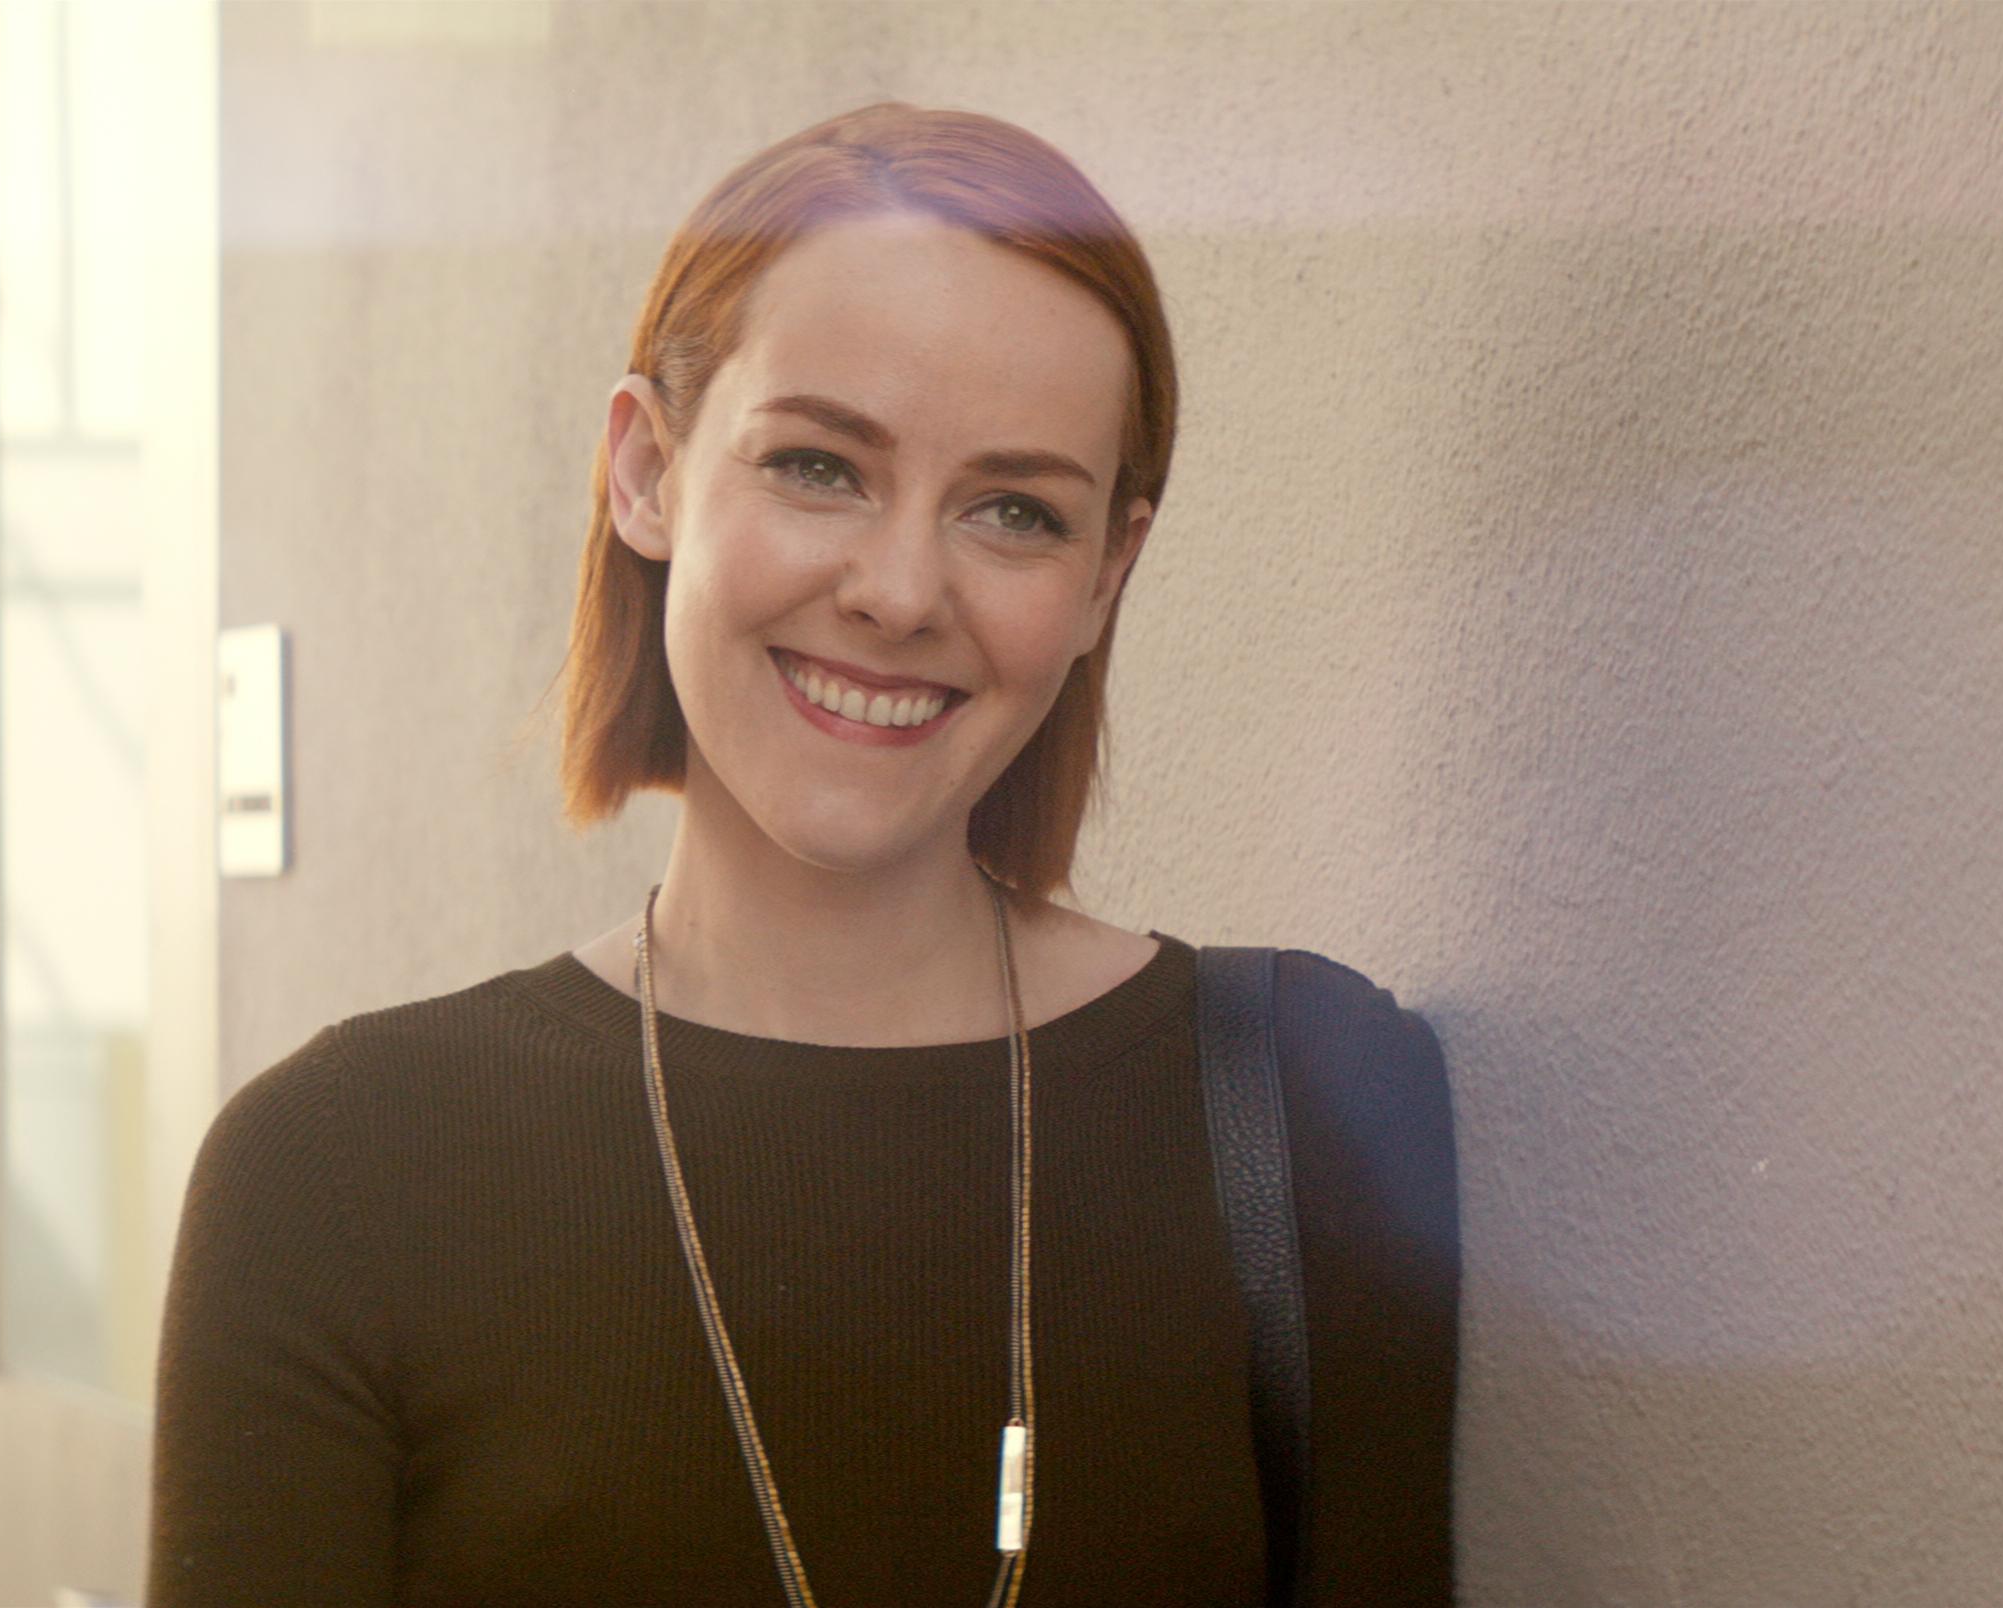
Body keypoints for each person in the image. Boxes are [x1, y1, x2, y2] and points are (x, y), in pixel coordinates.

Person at [151, 101, 1440, 1606]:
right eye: (821, 466)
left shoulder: (1314, 1108)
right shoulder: (337, 1171)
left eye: (1014, 511)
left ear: (1108, 576)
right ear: (647, 473)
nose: (899, 590)